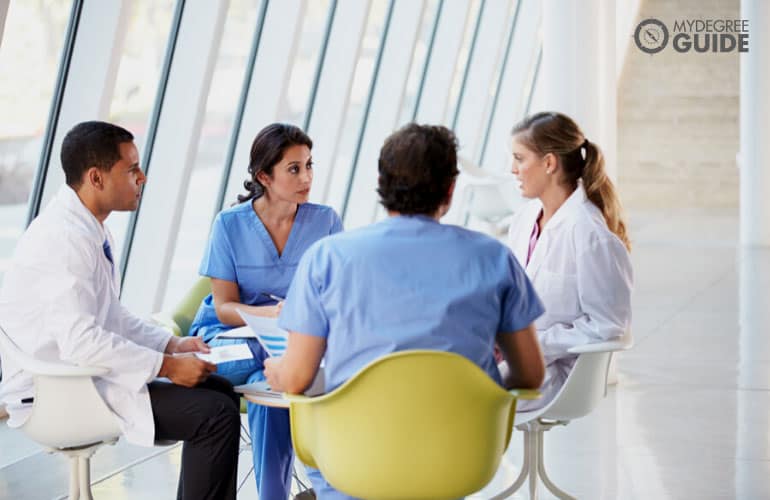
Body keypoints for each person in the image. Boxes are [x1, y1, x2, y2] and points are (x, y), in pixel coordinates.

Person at [264, 123, 546, 499]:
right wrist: (475, 390)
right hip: (458, 460)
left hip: (355, 465)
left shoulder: (327, 258)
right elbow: (530, 374)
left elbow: (297, 379)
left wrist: (278, 373)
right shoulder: (494, 258)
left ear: (381, 183)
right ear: (449, 188)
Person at [0, 121, 241, 499]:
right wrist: (166, 366)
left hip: (81, 374)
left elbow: (110, 315)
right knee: (214, 415)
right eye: (131, 170)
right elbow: (82, 341)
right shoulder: (64, 240)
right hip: (57, 392)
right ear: (96, 177)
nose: (142, 178)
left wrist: (171, 346)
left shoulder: (87, 228)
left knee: (222, 391)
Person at [189, 123, 342, 499]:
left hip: (293, 342)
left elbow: (337, 296)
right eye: (294, 168)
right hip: (233, 338)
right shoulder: (229, 225)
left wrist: (300, 316)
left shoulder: (325, 221)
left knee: (271, 378)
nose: (306, 177)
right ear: (264, 176)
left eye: (309, 165)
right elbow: (223, 307)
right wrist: (267, 318)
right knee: (276, 367)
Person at [506, 111, 633, 410]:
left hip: (554, 372)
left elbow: (609, 327)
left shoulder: (589, 234)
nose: (512, 169)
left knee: (457, 393)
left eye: (519, 159)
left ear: (549, 163)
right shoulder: (524, 219)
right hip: (517, 354)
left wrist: (537, 343)